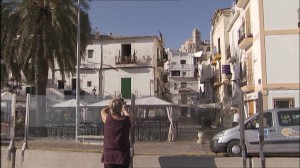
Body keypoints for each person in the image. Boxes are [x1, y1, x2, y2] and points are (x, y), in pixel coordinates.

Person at [100, 98, 131, 168]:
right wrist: (124, 109)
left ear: (111, 108)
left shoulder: (107, 119)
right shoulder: (126, 121)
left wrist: (110, 105)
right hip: (123, 156)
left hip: (109, 156)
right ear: (120, 108)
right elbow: (128, 116)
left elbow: (102, 111)